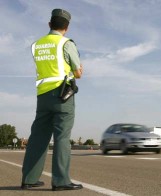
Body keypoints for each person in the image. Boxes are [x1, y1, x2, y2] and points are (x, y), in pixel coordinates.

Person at [21, 8, 83, 191]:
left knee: (38, 138)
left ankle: (29, 179)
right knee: (62, 137)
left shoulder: (36, 45)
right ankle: (61, 181)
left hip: (42, 96)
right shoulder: (66, 43)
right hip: (63, 96)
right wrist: (75, 71)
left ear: (49, 24)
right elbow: (78, 72)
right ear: (67, 27)